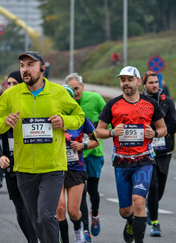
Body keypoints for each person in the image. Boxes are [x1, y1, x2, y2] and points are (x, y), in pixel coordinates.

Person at [0, 51, 85, 243]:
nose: (25, 69)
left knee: (45, 215)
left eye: (30, 64)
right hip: (23, 168)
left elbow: (79, 117)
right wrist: (5, 122)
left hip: (52, 167)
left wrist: (63, 120)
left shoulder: (58, 92)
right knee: (35, 221)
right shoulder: (11, 94)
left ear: (42, 68)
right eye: (22, 65)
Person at [95, 66, 167, 243]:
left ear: (138, 81)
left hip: (144, 160)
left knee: (139, 202)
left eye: (129, 79)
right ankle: (129, 221)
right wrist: (112, 132)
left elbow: (163, 128)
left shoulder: (150, 104)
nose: (126, 83)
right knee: (126, 210)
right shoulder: (113, 105)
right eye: (122, 80)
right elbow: (98, 131)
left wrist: (155, 134)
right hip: (122, 162)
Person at [0, 70, 38, 243]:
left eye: (14, 84)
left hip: (32, 165)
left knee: (37, 209)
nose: (10, 87)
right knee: (21, 209)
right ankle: (32, 240)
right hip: (11, 166)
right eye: (8, 84)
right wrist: (0, 156)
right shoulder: (2, 108)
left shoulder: (33, 105)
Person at [65, 72, 106, 242]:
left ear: (82, 87)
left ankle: (94, 214)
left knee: (93, 191)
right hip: (75, 158)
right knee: (80, 194)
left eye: (77, 88)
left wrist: (97, 127)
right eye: (72, 89)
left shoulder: (95, 98)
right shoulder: (65, 107)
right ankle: (85, 230)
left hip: (93, 153)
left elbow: (108, 119)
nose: (75, 92)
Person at [56, 84, 99, 243]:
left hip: (76, 168)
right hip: (56, 169)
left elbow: (96, 141)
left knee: (73, 212)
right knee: (60, 209)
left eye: (67, 98)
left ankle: (78, 227)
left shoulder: (81, 119)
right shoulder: (51, 118)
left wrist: (83, 145)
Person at [142, 71, 176, 237]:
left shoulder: (167, 102)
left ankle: (151, 206)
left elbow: (172, 125)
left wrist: (156, 132)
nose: (154, 85)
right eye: (151, 83)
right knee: (153, 186)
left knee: (160, 189)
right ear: (145, 85)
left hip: (165, 150)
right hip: (146, 151)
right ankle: (155, 224)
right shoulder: (140, 102)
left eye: (156, 82)